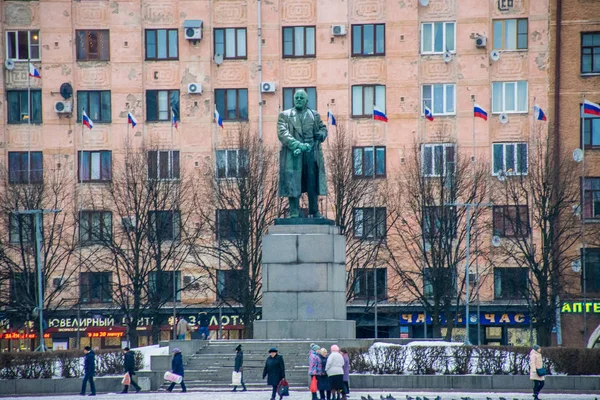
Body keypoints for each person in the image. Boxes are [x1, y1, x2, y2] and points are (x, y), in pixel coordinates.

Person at [277, 89, 328, 218]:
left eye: (301, 98)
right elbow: (283, 133)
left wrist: (321, 134)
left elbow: (323, 128)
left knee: (312, 182)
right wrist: (298, 145)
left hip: (311, 154)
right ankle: (294, 211)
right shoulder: (285, 115)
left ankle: (314, 210)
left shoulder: (314, 115)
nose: (298, 100)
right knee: (293, 181)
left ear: (307, 100)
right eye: (296, 98)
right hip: (294, 154)